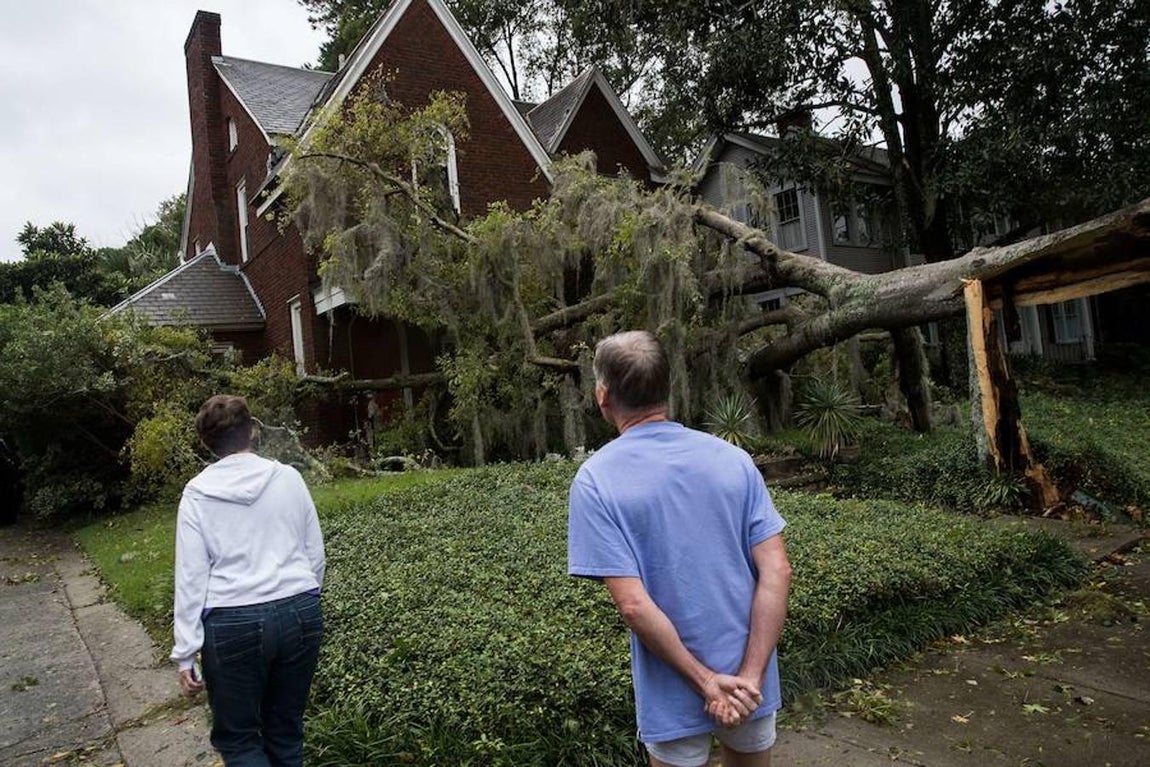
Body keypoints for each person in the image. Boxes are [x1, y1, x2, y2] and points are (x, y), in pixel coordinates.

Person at [568, 331, 792, 767]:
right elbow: (777, 570)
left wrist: (707, 683)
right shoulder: (733, 460)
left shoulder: (595, 480)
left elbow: (633, 605)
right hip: (751, 684)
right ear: (667, 387)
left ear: (602, 396)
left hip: (673, 687)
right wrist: (749, 676)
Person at [171, 394, 326, 767]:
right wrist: (301, 598)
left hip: (232, 623)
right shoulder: (289, 478)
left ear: (206, 443)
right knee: (286, 732)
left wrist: (186, 651)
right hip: (300, 611)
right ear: (252, 431)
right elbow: (315, 554)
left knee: (239, 741)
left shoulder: (197, 494)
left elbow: (191, 575)